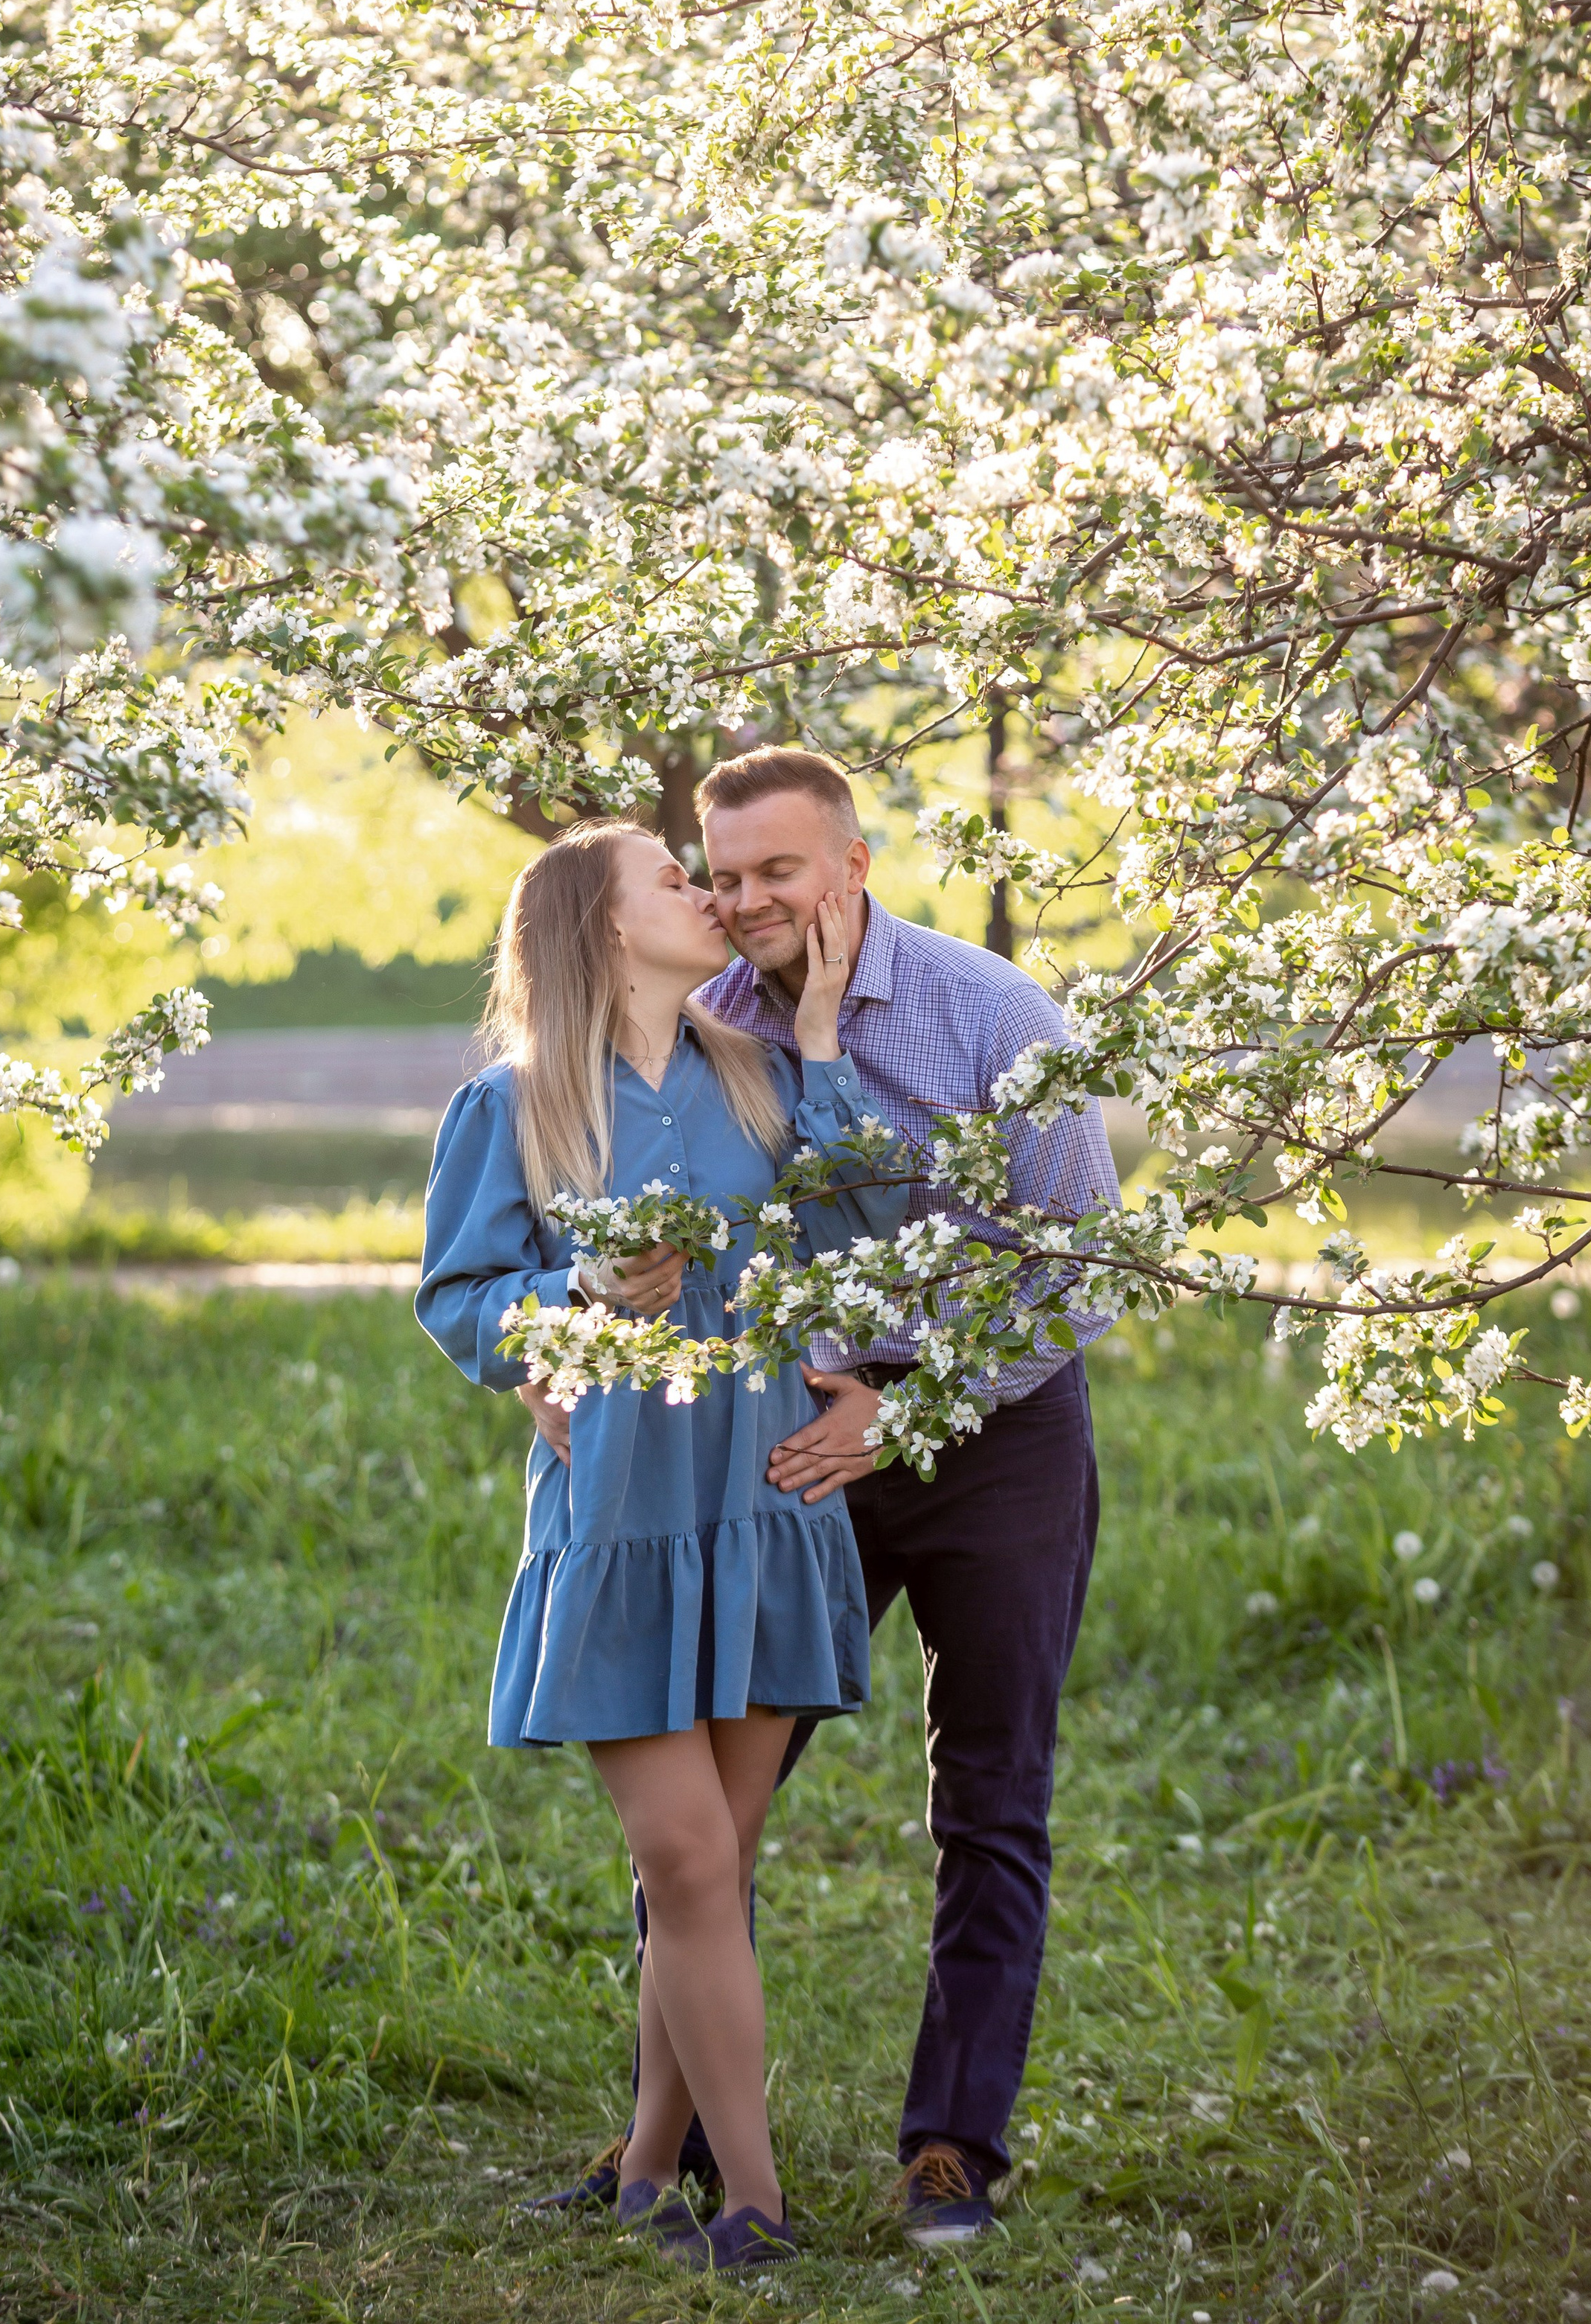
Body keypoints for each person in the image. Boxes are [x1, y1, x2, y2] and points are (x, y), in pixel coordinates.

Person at [543, 750, 1120, 2249]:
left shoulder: (995, 1017)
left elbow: (1075, 1264)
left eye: (774, 872)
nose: (741, 901)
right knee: (710, 1805)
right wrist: (566, 1342)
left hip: (993, 1431)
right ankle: (658, 2140)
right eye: (718, 875)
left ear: (851, 865)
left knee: (989, 1794)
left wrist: (912, 1393)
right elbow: (598, 1196)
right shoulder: (708, 1019)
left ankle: (951, 2147)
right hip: (796, 1442)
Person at [416, 821, 906, 2276]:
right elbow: (461, 1303)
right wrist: (580, 1291)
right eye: (670, 878)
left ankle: (645, 2173)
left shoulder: (757, 1075)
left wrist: (819, 1035)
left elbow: (871, 1221)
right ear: (605, 929)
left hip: (763, 1506)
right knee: (689, 1862)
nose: (705, 891)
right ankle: (749, 2206)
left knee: (714, 1866)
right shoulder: (512, 1107)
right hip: (624, 1523)